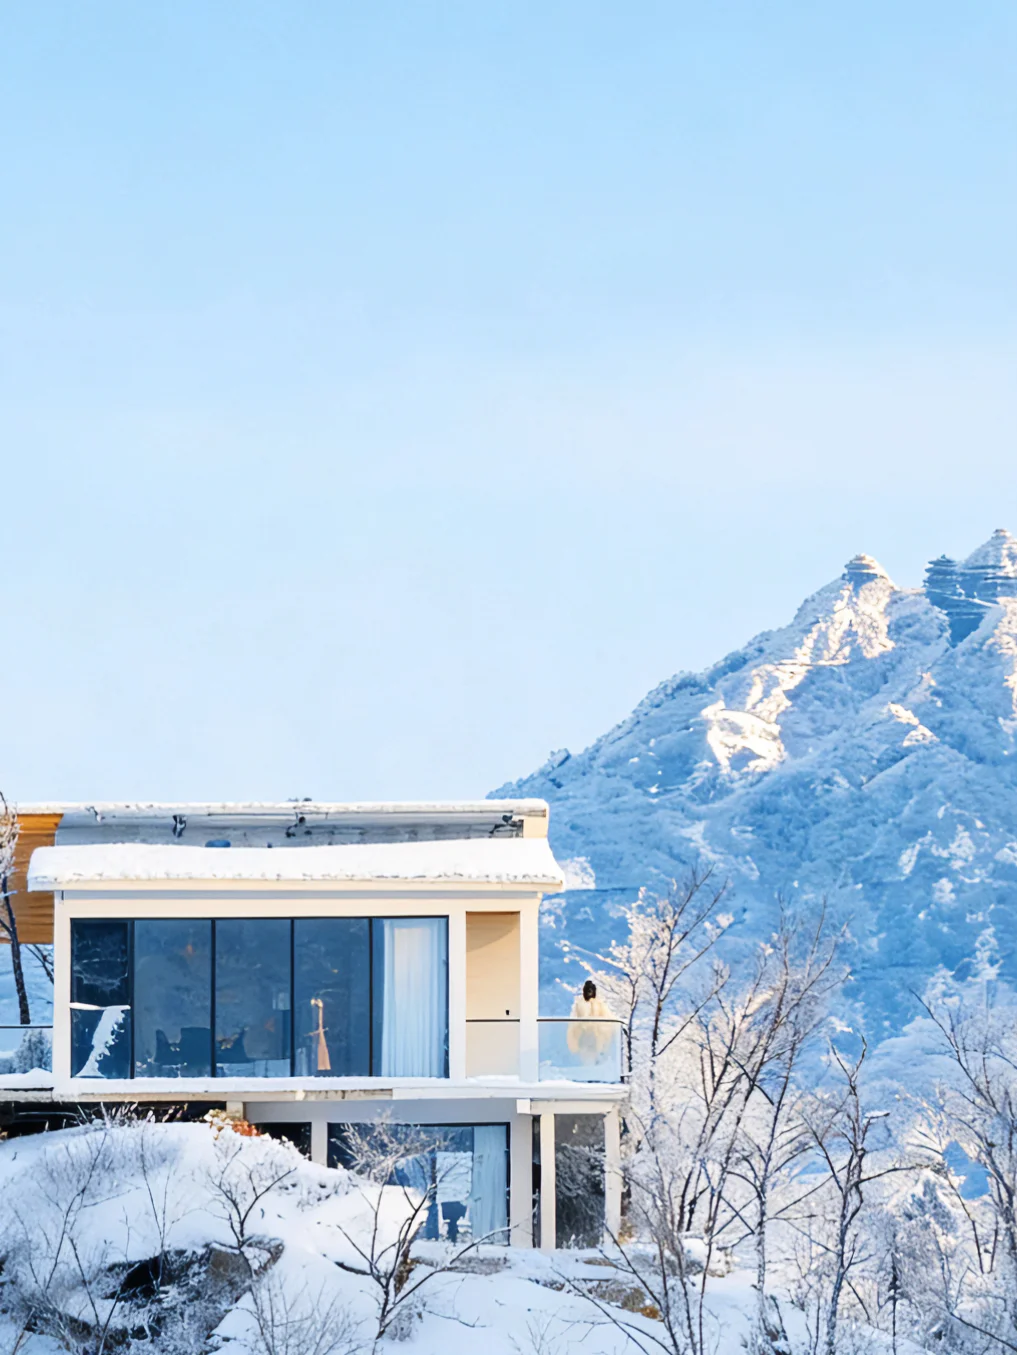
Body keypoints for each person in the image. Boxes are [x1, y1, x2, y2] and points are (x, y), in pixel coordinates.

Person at [567, 980, 614, 1063]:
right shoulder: (579, 1004)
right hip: (583, 1035)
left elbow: (607, 1019)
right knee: (585, 1057)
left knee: (594, 1056)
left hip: (596, 1036)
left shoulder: (600, 1004)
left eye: (591, 989)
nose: (589, 992)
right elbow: (574, 1021)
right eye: (588, 989)